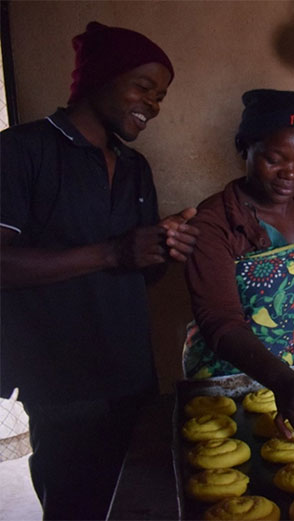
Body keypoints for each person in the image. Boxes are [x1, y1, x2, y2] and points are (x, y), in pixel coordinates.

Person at [0, 22, 198, 520]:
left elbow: (138, 272)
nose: (152, 104)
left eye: (161, 96)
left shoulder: (134, 167)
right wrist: (113, 252)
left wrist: (161, 251)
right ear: (99, 79)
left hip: (131, 368)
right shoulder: (21, 151)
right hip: (61, 378)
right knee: (76, 503)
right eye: (143, 87)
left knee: (138, 499)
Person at [184, 89, 294, 444]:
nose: (291, 173)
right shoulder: (213, 223)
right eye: (274, 159)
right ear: (245, 150)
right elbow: (219, 320)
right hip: (232, 378)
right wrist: (282, 380)